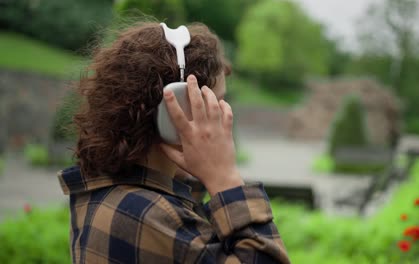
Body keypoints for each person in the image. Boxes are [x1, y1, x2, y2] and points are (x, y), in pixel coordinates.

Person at [57, 21, 290, 264]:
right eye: (215, 103)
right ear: (174, 110)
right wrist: (226, 179)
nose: (223, 115)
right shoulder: (147, 215)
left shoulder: (114, 192)